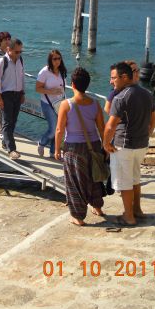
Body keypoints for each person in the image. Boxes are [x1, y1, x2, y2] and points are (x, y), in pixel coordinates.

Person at [103, 62, 155, 226]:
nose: (111, 82)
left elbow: (111, 125)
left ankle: (128, 216)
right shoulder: (147, 94)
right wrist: (148, 133)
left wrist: (105, 143)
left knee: (125, 181)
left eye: (113, 78)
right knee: (135, 178)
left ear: (124, 77)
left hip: (124, 145)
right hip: (141, 144)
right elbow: (154, 118)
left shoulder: (120, 97)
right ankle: (137, 210)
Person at [54, 67, 105, 226]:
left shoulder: (66, 104)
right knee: (94, 177)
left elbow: (59, 129)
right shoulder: (96, 104)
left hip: (74, 148)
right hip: (94, 145)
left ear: (72, 85)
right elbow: (101, 128)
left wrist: (57, 149)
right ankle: (97, 207)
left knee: (75, 182)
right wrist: (105, 147)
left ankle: (78, 216)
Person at [0, 38, 25, 159]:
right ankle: (12, 150)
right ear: (8, 49)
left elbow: (22, 77)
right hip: (6, 95)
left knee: (13, 121)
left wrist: (23, 93)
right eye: (16, 52)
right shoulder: (2, 62)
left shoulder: (20, 60)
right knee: (7, 122)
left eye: (20, 51)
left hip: (17, 94)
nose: (19, 54)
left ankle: (5, 143)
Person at [36, 50, 67, 158]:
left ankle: (53, 152)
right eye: (55, 59)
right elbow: (38, 88)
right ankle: (42, 142)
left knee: (59, 129)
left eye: (59, 58)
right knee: (53, 129)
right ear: (50, 60)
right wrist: (51, 91)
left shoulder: (62, 71)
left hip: (60, 103)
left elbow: (63, 87)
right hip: (47, 103)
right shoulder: (44, 72)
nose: (57, 61)